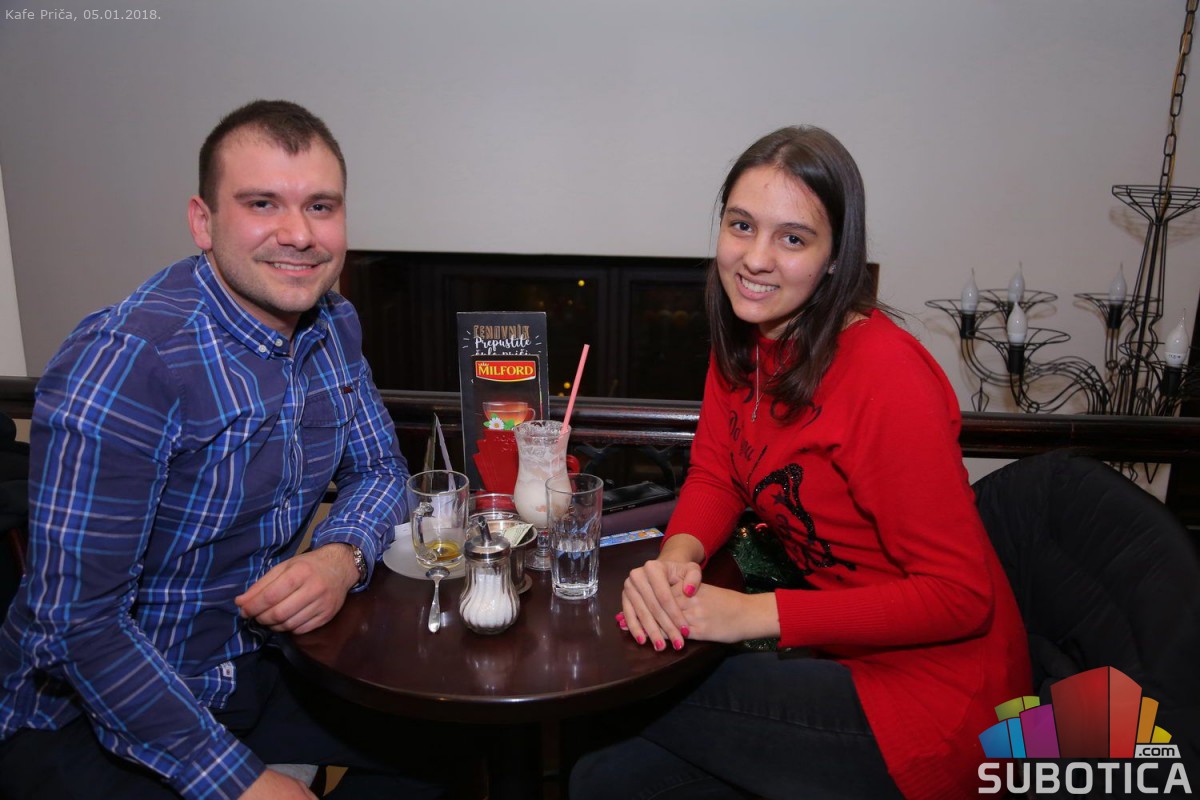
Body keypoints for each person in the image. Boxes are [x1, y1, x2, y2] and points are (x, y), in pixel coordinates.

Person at [0, 100, 446, 799]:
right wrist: (239, 783)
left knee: (455, 745)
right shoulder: (127, 362)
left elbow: (382, 469)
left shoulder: (333, 324)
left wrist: (341, 556)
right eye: (262, 204)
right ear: (203, 222)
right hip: (93, 711)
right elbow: (77, 627)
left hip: (249, 665)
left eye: (321, 207)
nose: (299, 234)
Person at [569, 126, 1031, 800]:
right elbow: (718, 471)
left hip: (941, 704)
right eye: (741, 225)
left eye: (792, 238)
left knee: (603, 686)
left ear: (835, 259)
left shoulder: (885, 377)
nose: (756, 259)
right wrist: (677, 559)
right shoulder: (748, 339)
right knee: (603, 778)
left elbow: (961, 597)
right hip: (843, 659)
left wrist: (752, 615)